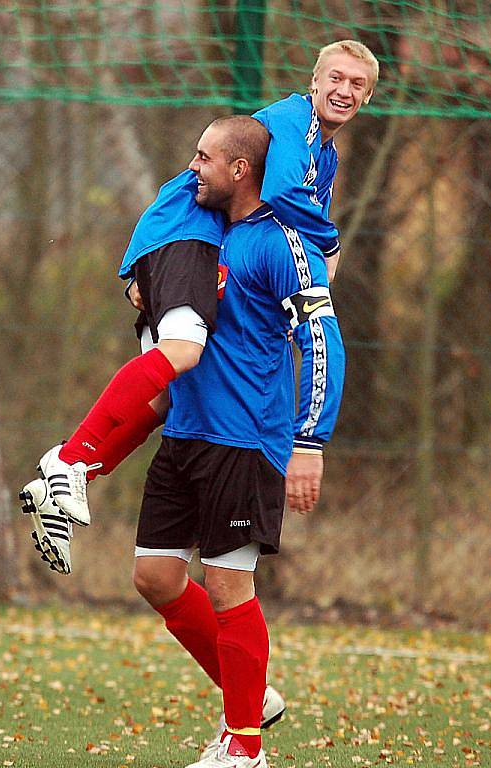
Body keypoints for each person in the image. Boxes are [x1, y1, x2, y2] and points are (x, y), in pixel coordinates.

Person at [20, 40, 379, 531]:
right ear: (313, 81)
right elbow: (278, 193)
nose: (343, 90)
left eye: (357, 84)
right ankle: (66, 462)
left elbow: (282, 214)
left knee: (165, 396)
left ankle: (74, 472)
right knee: (185, 352)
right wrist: (330, 245)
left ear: (370, 96)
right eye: (335, 78)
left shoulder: (327, 154)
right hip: (185, 233)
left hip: (192, 243)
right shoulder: (297, 121)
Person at [130, 114, 344, 768]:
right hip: (187, 431)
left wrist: (311, 441)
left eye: (203, 158)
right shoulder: (203, 231)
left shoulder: (282, 244)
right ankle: (251, 701)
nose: (191, 169)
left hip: (246, 437)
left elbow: (322, 342)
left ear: (240, 170)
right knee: (156, 577)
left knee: (229, 588)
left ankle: (244, 748)